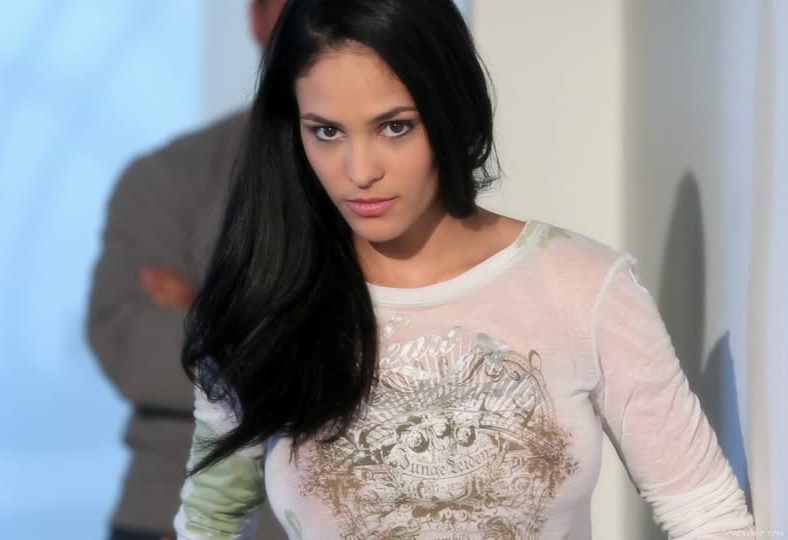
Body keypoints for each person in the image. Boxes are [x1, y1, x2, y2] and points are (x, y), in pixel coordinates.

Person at [173, 0, 756, 538]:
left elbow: (708, 516)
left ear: (450, 109)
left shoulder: (582, 287)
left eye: (395, 126)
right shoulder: (266, 306)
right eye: (326, 131)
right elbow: (209, 522)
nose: (360, 170)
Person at [85, 1, 288, 539]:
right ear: (256, 17)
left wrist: (205, 314)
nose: (319, 18)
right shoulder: (167, 176)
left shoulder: (393, 183)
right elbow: (133, 352)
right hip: (169, 511)